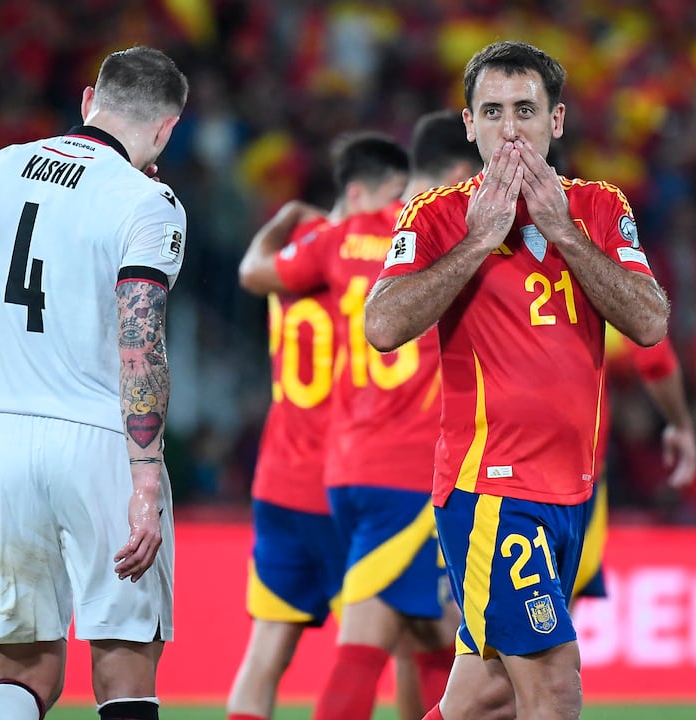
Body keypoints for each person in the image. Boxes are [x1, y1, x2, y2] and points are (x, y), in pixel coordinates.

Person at [363, 40, 670, 720]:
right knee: (554, 686)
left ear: (556, 122)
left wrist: (563, 232)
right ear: (468, 124)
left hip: (570, 492)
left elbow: (650, 321)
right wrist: (478, 241)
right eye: (492, 111)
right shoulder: (438, 215)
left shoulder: (596, 205)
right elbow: (381, 326)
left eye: (526, 110)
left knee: (486, 693)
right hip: (492, 490)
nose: (510, 129)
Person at [0, 46, 188, 720]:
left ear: (89, 100)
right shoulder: (147, 200)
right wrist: (145, 482)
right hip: (100, 442)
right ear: (168, 128)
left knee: (23, 676)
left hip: (0, 440)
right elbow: (139, 340)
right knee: (124, 674)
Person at [227, 132, 410, 720]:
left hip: (276, 478)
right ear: (362, 193)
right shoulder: (365, 254)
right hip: (342, 477)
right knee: (403, 640)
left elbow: (250, 270)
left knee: (266, 654)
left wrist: (281, 222)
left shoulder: (298, 257)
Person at [309, 110, 483, 720]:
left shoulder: (349, 233)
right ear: (461, 172)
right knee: (366, 641)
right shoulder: (447, 232)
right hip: (409, 469)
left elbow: (260, 272)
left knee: (435, 633)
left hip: (349, 460)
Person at [574, 330, 696, 601]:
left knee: (476, 614)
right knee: (555, 612)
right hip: (575, 476)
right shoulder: (604, 289)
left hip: (480, 467)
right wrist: (681, 424)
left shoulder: (482, 291)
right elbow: (653, 354)